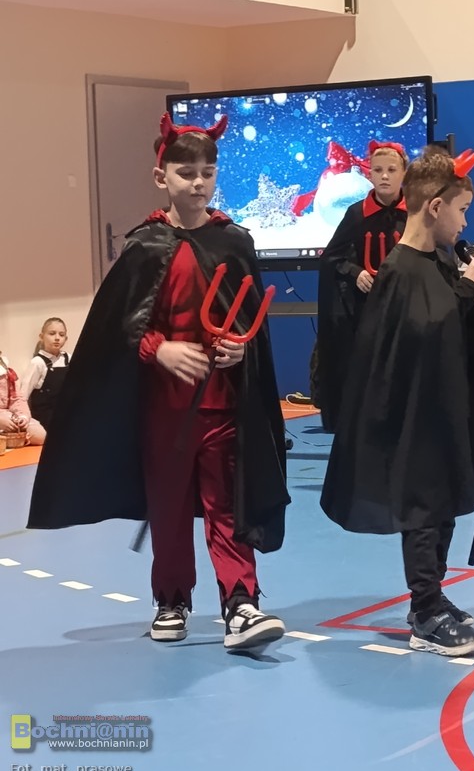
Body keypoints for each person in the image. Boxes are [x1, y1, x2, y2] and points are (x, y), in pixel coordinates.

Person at [28, 112, 290, 652]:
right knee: (168, 508)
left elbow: (250, 326)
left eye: (207, 173)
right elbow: (118, 329)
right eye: (186, 172)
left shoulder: (234, 242)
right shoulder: (144, 246)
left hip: (222, 408)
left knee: (226, 505)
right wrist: (159, 348)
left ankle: (240, 601)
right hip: (163, 412)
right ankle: (171, 599)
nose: (198, 183)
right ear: (161, 176)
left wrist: (240, 349)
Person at [320, 150, 474, 657]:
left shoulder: (438, 262)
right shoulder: (400, 269)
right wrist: (468, 287)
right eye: (461, 211)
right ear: (435, 207)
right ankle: (425, 610)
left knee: (446, 504)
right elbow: (423, 331)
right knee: (424, 507)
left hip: (443, 408)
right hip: (413, 416)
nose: (464, 224)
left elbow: (452, 325)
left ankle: (433, 592)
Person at [314, 140, 408, 431]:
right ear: (369, 173)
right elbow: (332, 257)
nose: (384, 176)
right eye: (377, 170)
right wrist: (355, 272)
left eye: (391, 170)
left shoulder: (414, 213)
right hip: (364, 310)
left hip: (403, 306)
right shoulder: (357, 214)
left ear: (404, 173)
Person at [19, 318, 70, 434]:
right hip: (44, 420)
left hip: (66, 416)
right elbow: (23, 395)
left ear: (66, 339)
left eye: (61, 335)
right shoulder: (37, 363)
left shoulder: (69, 359)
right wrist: (23, 418)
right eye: (52, 333)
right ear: (42, 336)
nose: (57, 338)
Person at [0, 352, 45, 446]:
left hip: (7, 415)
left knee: (39, 435)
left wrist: (22, 417)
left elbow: (17, 398)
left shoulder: (6, 371)